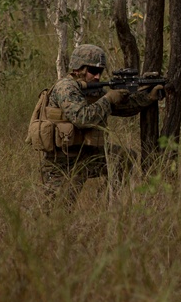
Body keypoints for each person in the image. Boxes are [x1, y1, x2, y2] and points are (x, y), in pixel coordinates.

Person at [40, 43, 163, 207]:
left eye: (100, 72)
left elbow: (120, 108)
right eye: (93, 71)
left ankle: (105, 204)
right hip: (62, 161)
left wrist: (147, 97)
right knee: (57, 212)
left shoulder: (91, 89)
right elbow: (82, 118)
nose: (97, 76)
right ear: (78, 68)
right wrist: (108, 99)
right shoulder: (66, 88)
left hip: (85, 155)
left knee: (124, 158)